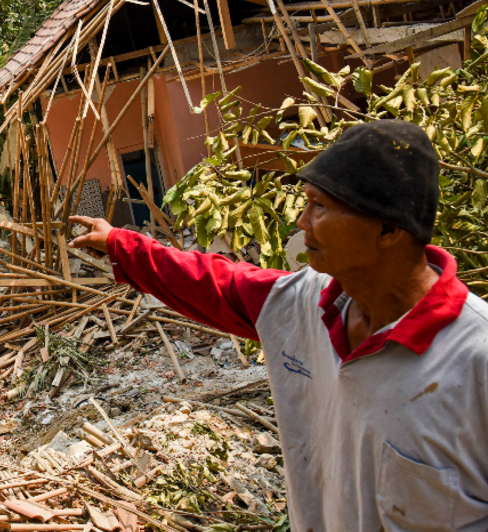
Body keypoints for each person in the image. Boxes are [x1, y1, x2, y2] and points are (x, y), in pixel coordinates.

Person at [69, 120, 488, 531]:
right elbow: (214, 283)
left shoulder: (474, 360)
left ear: (388, 229)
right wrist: (120, 244)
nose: (302, 222)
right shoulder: (304, 305)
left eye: (320, 206)